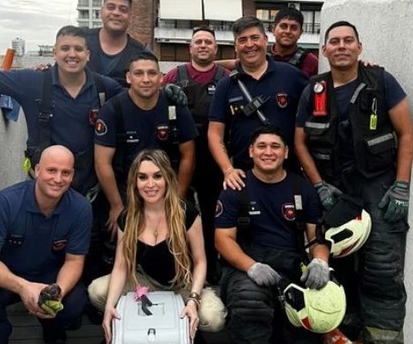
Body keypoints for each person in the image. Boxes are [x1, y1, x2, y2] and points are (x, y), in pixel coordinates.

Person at [293, 21, 413, 344]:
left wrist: (402, 187)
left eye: (348, 40)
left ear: (359, 47)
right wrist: (318, 185)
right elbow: (299, 143)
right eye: (334, 42)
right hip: (334, 188)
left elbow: (406, 133)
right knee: (336, 266)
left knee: (382, 269)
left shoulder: (382, 82)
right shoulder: (313, 90)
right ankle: (344, 335)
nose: (342, 46)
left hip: (378, 185)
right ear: (324, 51)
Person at [0, 25, 123, 194]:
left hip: (88, 193)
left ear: (88, 54)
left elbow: (136, 98)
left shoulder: (103, 87)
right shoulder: (32, 82)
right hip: (42, 191)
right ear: (54, 53)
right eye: (65, 48)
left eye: (78, 49)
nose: (72, 54)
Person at [215, 126, 329, 344]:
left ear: (286, 152)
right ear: (251, 151)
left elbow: (317, 237)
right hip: (245, 267)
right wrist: (251, 266)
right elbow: (223, 240)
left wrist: (320, 262)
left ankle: (275, 333)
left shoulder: (302, 189)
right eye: (262, 146)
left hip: (289, 267)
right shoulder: (235, 187)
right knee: (249, 300)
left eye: (275, 146)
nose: (268, 152)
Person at [0, 146, 91, 344]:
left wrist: (57, 292)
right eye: (51, 170)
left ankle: (51, 323)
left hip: (49, 276)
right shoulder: (5, 202)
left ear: (73, 176)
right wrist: (23, 287)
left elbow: (74, 261)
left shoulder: (81, 208)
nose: (58, 179)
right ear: (36, 170)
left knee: (76, 301)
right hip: (7, 276)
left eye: (65, 173)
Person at [91, 149, 226, 344]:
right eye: (143, 177)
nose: (150, 184)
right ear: (135, 182)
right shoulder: (127, 217)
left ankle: (191, 330)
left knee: (214, 318)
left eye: (157, 176)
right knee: (97, 291)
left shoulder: (186, 213)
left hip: (182, 283)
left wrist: (193, 299)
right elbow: (120, 266)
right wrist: (110, 306)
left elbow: (200, 262)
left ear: (167, 178)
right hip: (143, 281)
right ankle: (122, 328)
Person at [94, 53, 198, 241]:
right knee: (121, 244)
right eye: (139, 73)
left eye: (151, 73)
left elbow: (188, 155)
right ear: (128, 77)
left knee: (176, 242)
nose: (146, 79)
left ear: (161, 77)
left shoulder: (175, 105)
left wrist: (177, 201)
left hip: (168, 189)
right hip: (126, 190)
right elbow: (102, 162)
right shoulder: (112, 110)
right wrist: (116, 205)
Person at [208, 16, 308, 191]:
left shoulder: (292, 76)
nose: (249, 45)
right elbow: (215, 134)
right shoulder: (225, 85)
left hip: (288, 176)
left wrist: (361, 68)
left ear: (265, 40)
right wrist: (228, 170)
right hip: (243, 178)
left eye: (254, 38)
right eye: (242, 40)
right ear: (235, 47)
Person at [163, 26, 229, 282]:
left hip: (215, 159)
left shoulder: (226, 77)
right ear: (190, 48)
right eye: (198, 42)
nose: (203, 45)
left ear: (215, 49)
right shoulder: (173, 76)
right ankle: (180, 266)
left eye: (208, 42)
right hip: (178, 159)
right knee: (179, 212)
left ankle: (211, 269)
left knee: (214, 215)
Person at [84, 0, 151, 86]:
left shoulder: (141, 53)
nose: (116, 13)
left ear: (130, 16)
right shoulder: (81, 41)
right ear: (101, 11)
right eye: (111, 7)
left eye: (123, 10)